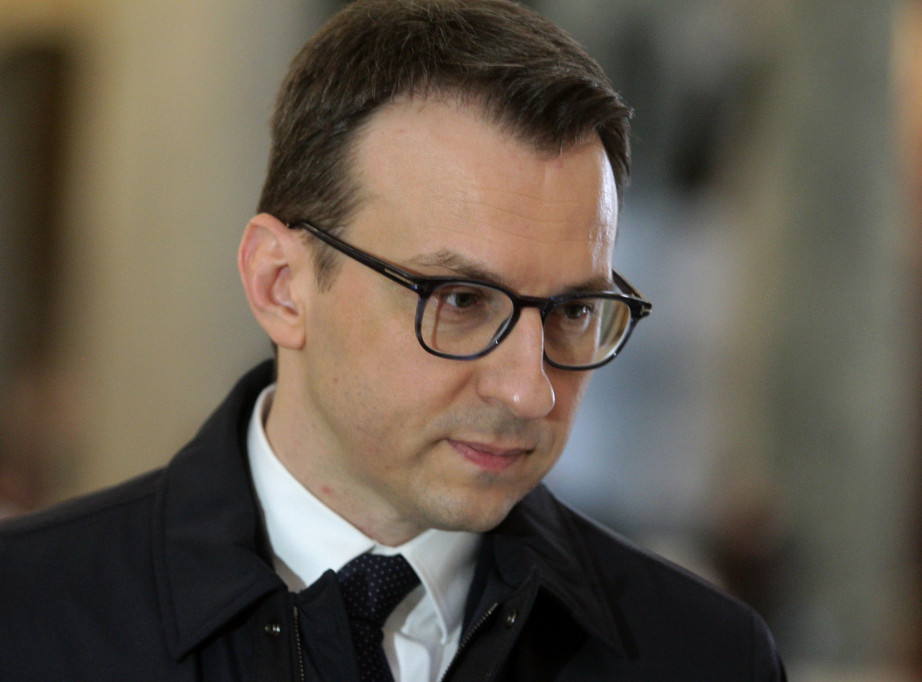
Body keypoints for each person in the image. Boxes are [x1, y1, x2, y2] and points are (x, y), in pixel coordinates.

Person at [0, 1, 786, 679]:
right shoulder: (25, 615)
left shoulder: (705, 658)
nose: (528, 390)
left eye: (573, 311)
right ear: (281, 284)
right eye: (461, 300)